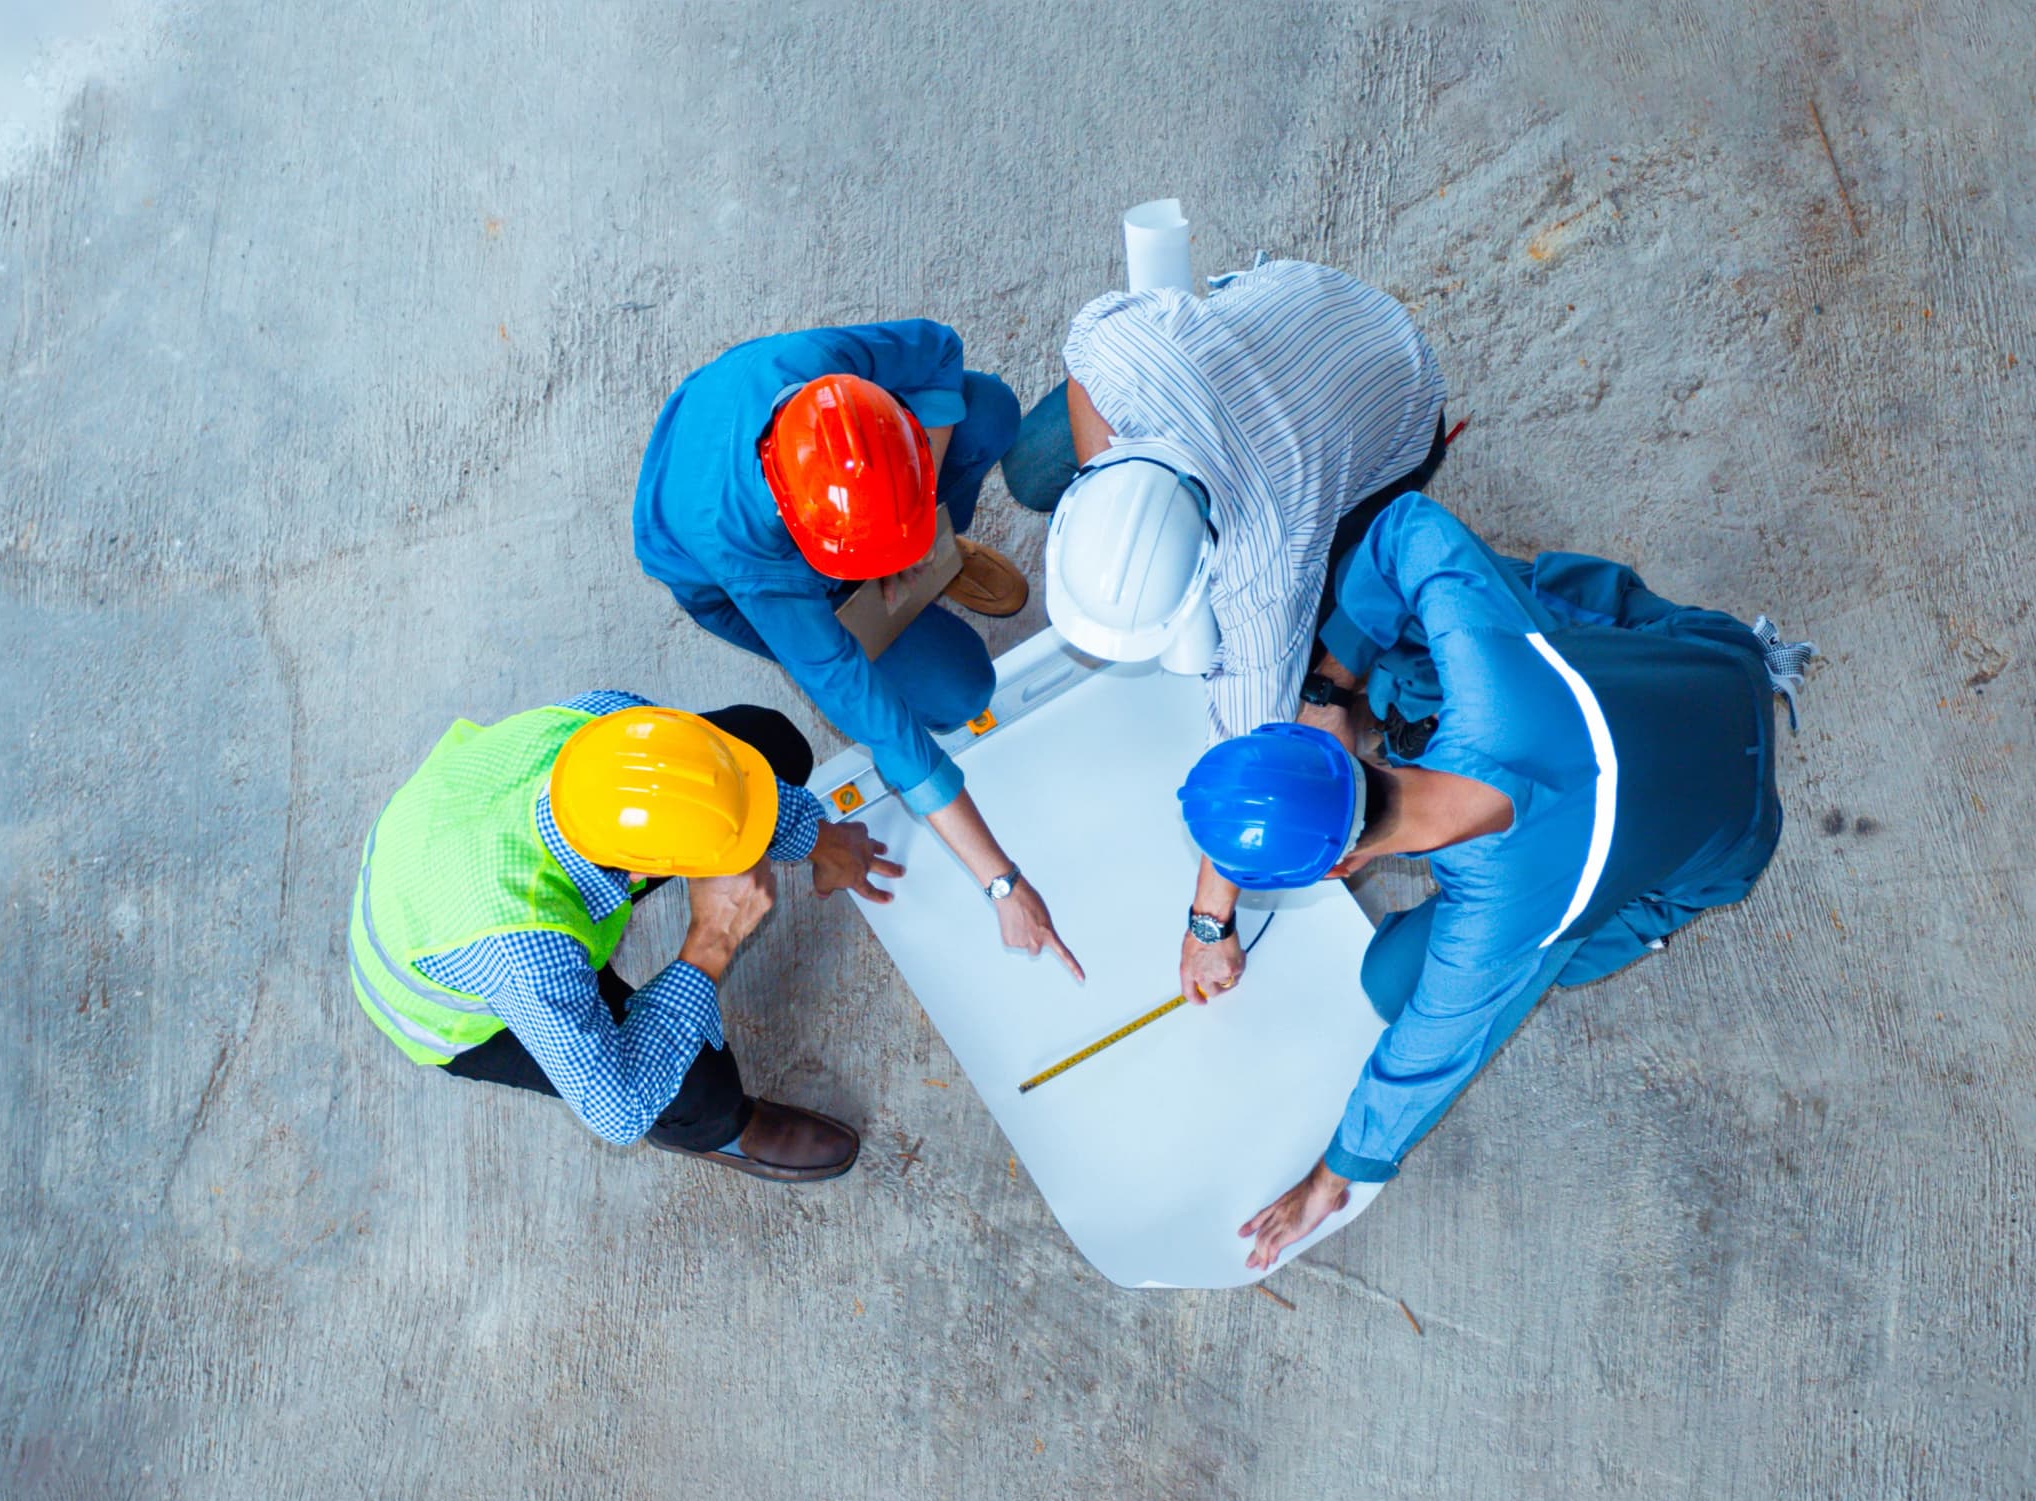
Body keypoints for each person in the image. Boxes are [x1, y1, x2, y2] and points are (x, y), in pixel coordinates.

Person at [1169, 495, 1819, 1266]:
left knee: (1393, 983)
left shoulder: (1494, 931)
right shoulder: (1494, 674)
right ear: (1350, 755)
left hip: (1732, 843)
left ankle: (1623, 900)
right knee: (1414, 630)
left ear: (1341, 867)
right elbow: (1408, 527)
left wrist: (1324, 1182)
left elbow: (1422, 1062)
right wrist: (1329, 688)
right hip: (1715, 667)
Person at [993, 258, 1450, 995]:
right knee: (1030, 461)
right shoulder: (1121, 350)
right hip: (1309, 317)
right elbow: (1083, 362)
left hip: (1397, 394)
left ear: (1206, 577)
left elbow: (1253, 772)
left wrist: (1210, 924)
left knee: (1329, 634)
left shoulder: (1265, 583)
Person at [635, 321, 1083, 978]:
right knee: (962, 690)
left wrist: (919, 517)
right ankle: (910, 567)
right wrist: (1004, 884)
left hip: (808, 499)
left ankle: (938, 556)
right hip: (734, 569)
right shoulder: (755, 560)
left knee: (987, 409)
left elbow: (940, 353)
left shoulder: (822, 372)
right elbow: (889, 731)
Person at [346, 690, 907, 1181]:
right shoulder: (528, 953)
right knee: (689, 1083)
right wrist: (711, 940)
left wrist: (820, 838)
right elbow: (616, 1110)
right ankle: (716, 1131)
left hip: (445, 844)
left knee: (767, 745)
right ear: (641, 874)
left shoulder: (608, 721)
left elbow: (703, 783)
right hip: (445, 996)